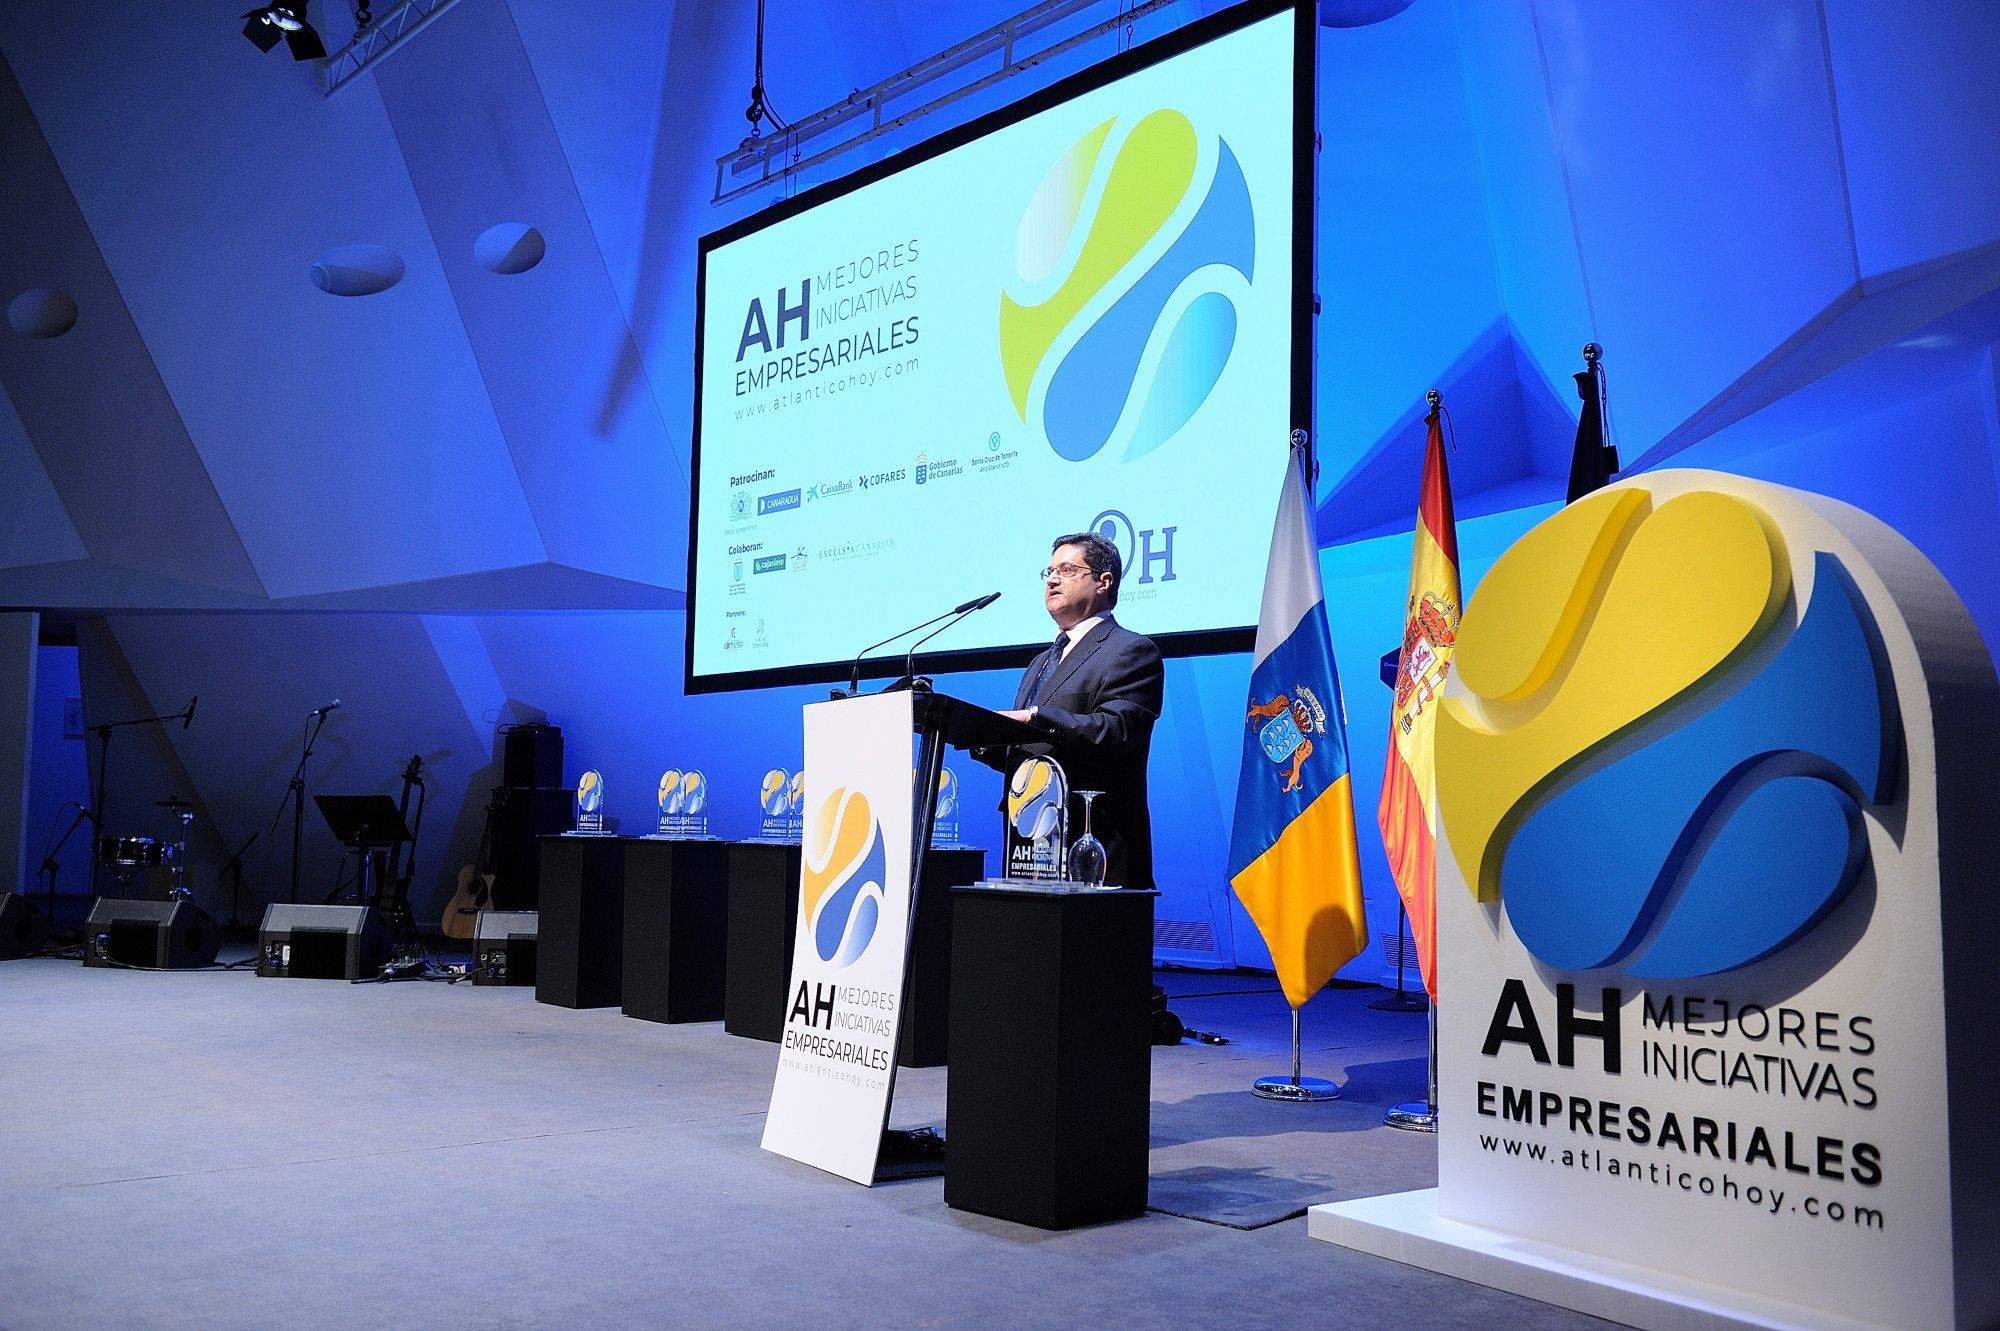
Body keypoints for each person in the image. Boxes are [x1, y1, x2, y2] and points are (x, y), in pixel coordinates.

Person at [987, 531, 1164, 890]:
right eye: (1049, 571)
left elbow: (1114, 731)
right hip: (1030, 849)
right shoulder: (1040, 662)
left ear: (1103, 582)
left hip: (1096, 848)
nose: (1052, 580)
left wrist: (1034, 717)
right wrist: (984, 735)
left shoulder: (1132, 650)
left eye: (1066, 570)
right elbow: (1034, 750)